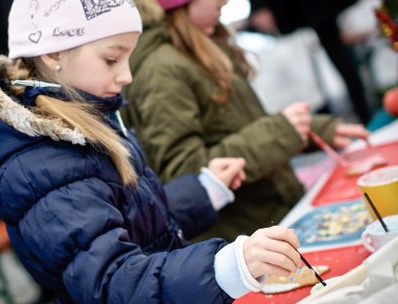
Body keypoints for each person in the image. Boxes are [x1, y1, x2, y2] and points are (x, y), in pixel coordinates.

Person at [0, 1, 302, 302]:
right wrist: (228, 266)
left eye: (128, 58)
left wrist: (205, 190)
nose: (126, 76)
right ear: (53, 54)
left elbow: (134, 221)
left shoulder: (92, 118)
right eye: (111, 59)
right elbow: (110, 282)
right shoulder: (37, 163)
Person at [123, 0, 370, 241]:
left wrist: (309, 130)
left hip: (276, 219)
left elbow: (237, 127)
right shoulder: (162, 70)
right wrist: (281, 133)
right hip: (248, 240)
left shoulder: (204, 44)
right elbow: (185, 173)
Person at [248, 0, 373, 124]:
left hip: (312, 10)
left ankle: (364, 116)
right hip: (294, 11)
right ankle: (329, 123)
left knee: (341, 60)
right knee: (310, 71)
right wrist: (258, 6)